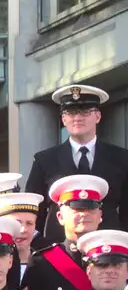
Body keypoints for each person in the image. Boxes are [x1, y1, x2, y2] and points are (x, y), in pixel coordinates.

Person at [26, 85, 128, 237]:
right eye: (71, 112)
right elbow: (34, 210)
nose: (78, 118)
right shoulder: (44, 160)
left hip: (107, 247)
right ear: (63, 119)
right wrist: (40, 247)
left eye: (85, 112)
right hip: (59, 250)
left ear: (98, 116)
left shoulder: (121, 157)